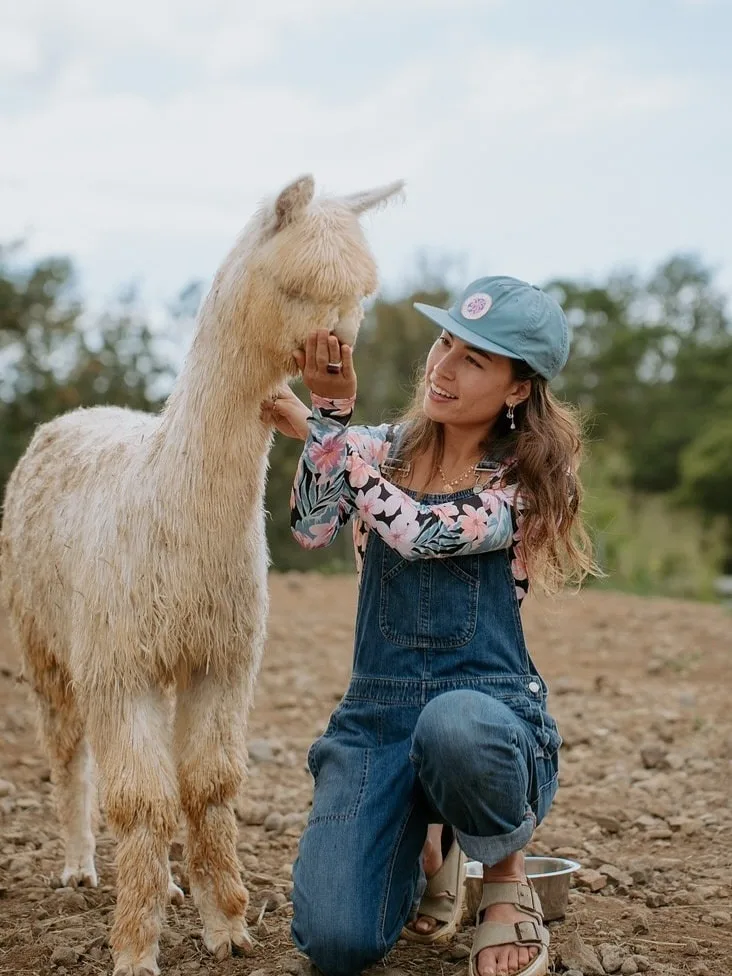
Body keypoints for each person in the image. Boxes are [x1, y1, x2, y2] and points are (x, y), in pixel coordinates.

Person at [261, 276, 596, 976]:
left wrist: (332, 439)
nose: (442, 367)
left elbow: (423, 533)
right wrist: (329, 415)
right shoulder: (385, 449)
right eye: (445, 341)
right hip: (378, 717)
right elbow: (313, 526)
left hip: (485, 712)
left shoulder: (528, 480)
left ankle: (506, 882)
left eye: (474, 358)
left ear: (516, 389)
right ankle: (430, 846)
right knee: (337, 942)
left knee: (454, 726)